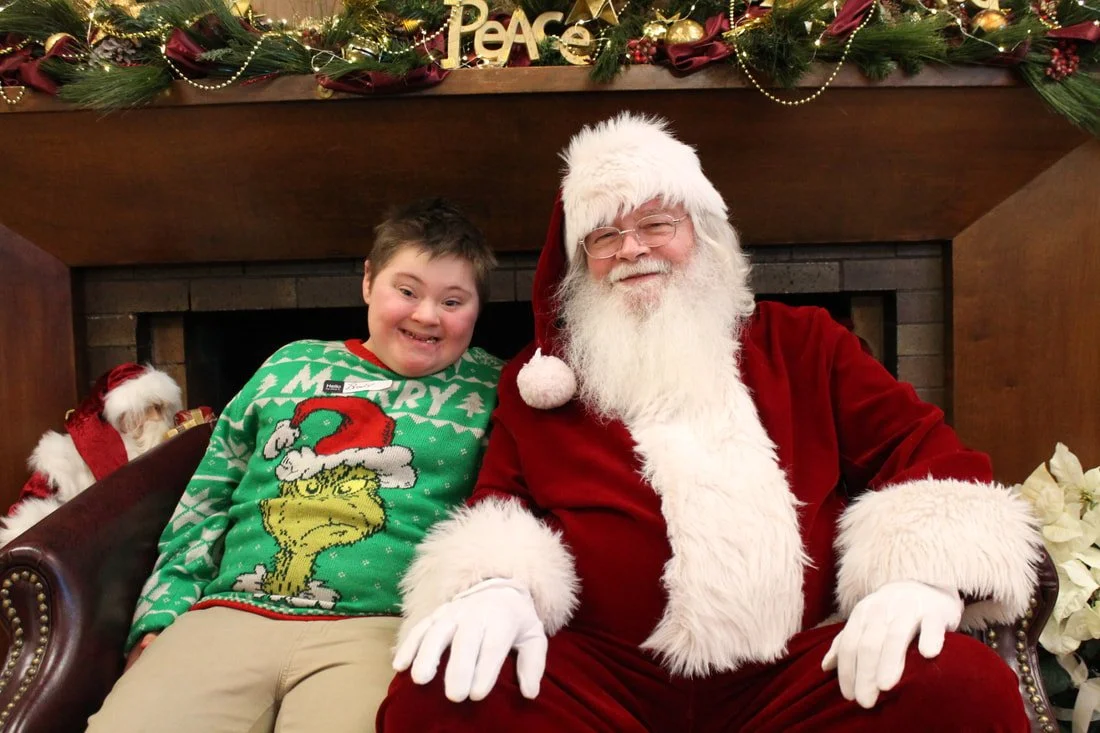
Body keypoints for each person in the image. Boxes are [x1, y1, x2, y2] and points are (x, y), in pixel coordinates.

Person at [379, 114, 1043, 732]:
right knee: (434, 693)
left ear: (701, 231)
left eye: (656, 224)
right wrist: (498, 585)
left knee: (964, 685)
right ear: (583, 263)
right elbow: (502, 504)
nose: (633, 249)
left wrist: (916, 575)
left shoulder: (805, 343)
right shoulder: (541, 381)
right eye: (606, 235)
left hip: (797, 673)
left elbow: (921, 447)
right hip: (606, 682)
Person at [87, 198, 504, 733]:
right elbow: (208, 496)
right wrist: (161, 613)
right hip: (232, 612)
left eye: (453, 300)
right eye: (407, 291)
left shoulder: (496, 389)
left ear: (476, 309)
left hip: (382, 626)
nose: (427, 315)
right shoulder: (290, 364)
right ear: (368, 281)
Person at [1, 363, 181, 546]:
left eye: (161, 409)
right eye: (151, 409)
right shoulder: (66, 460)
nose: (159, 419)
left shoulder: (154, 449)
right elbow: (29, 508)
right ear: (125, 415)